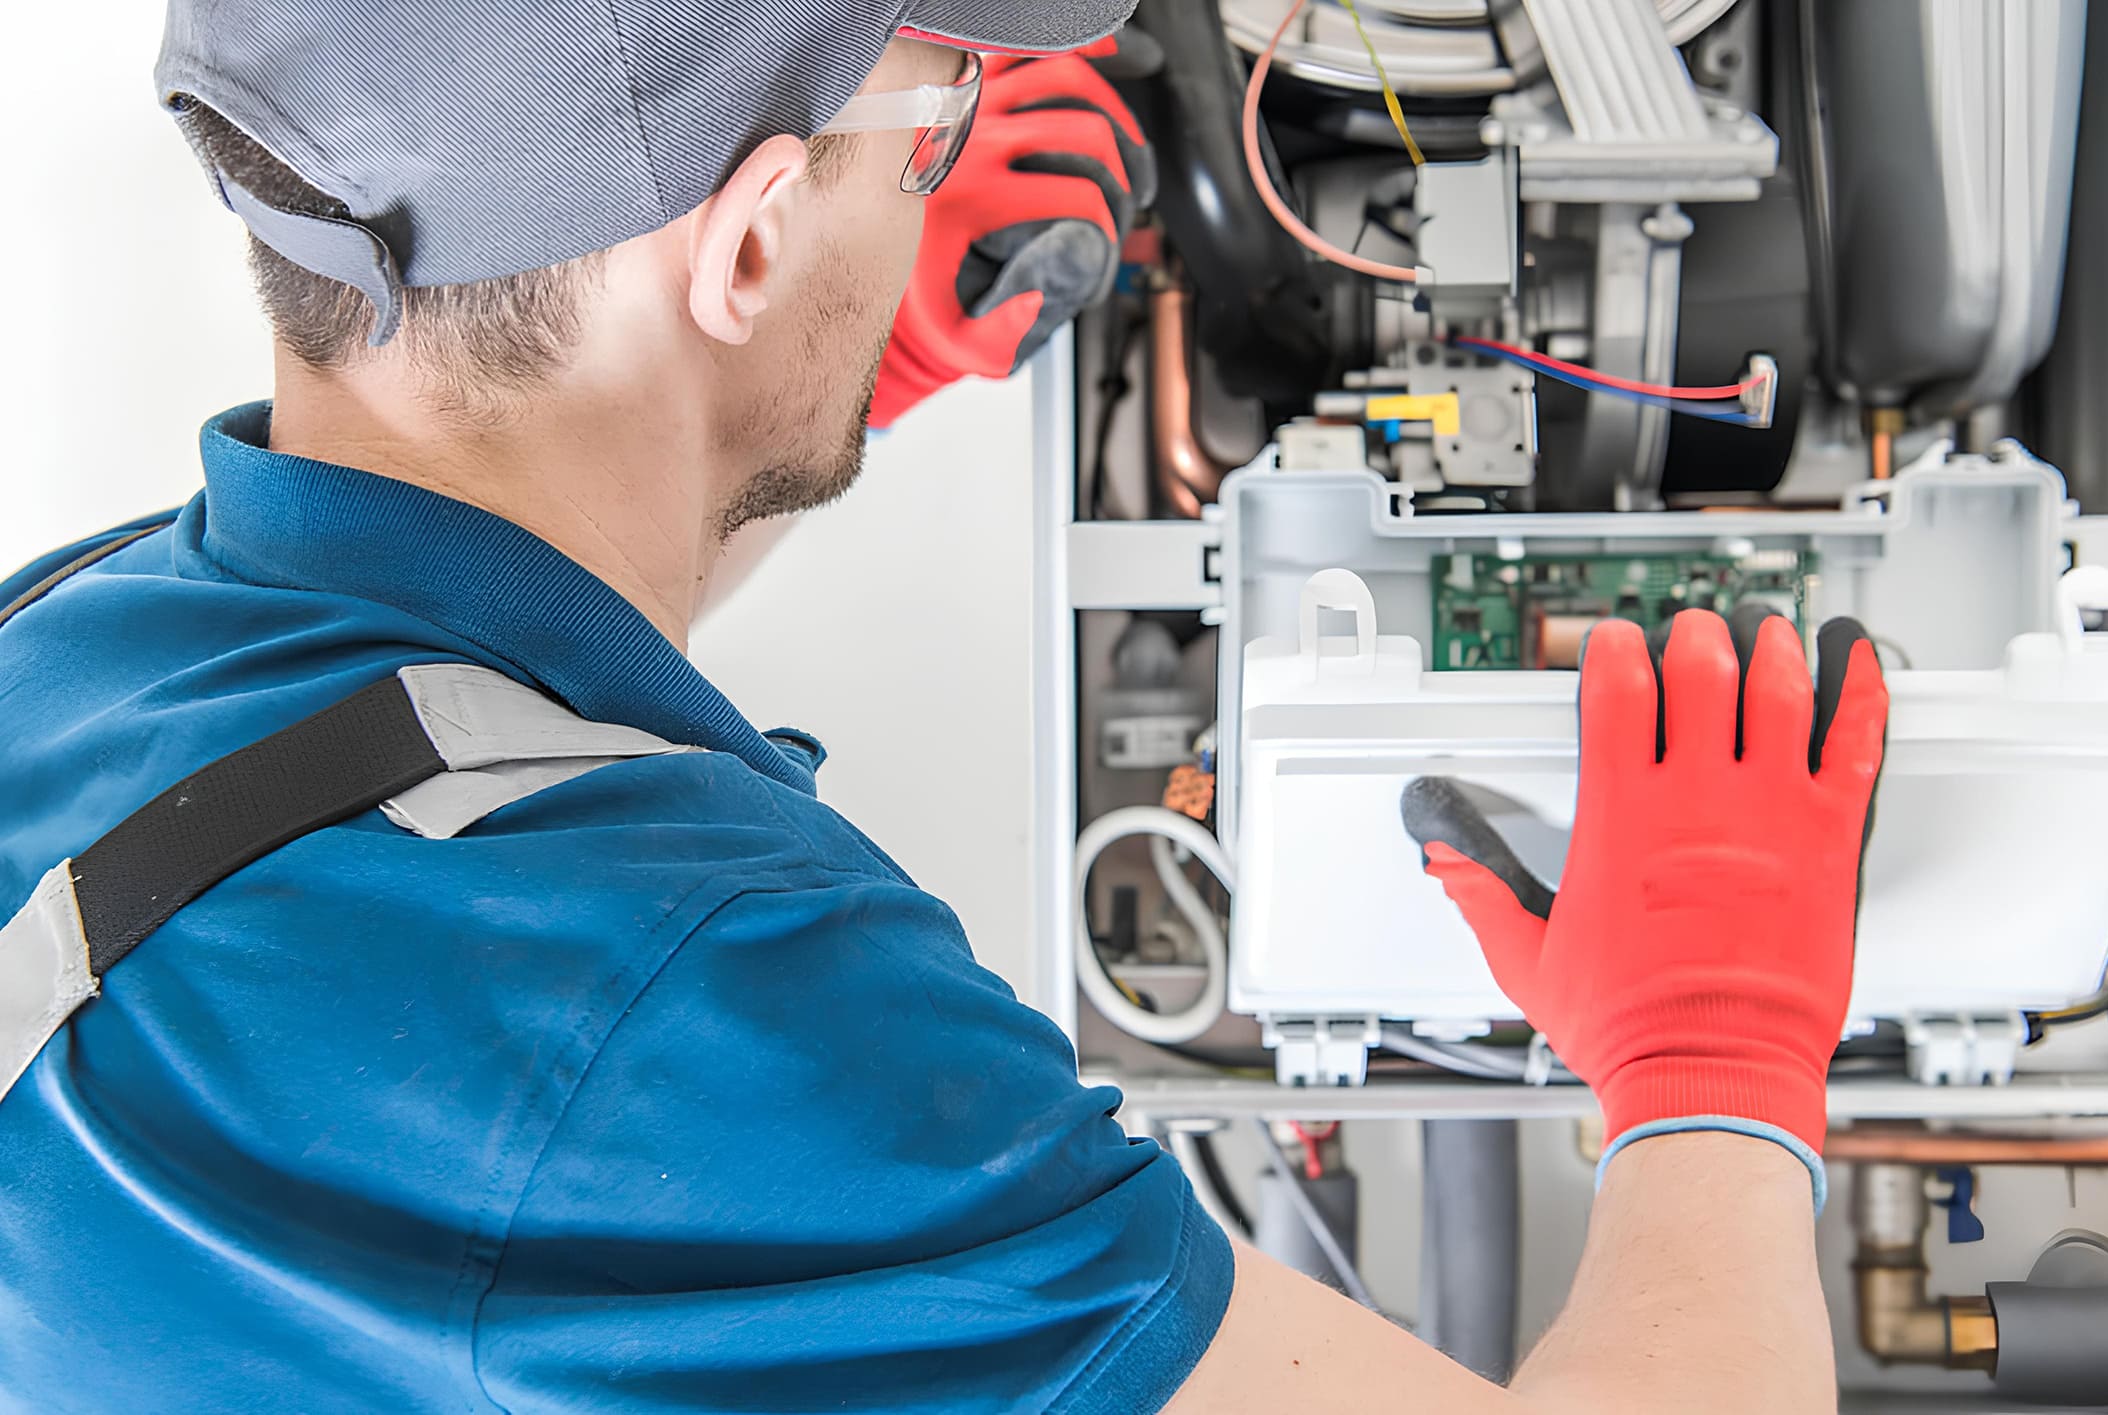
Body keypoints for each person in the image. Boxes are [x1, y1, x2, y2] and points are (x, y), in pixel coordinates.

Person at [0, 1, 1888, 1411]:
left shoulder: (76, 642)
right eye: (933, 127)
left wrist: (816, 382)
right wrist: (1714, 1056)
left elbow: (469, 698)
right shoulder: (697, 1010)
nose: (949, 174)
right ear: (745, 250)